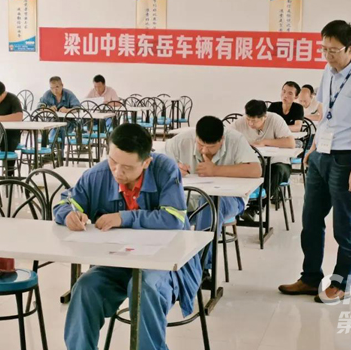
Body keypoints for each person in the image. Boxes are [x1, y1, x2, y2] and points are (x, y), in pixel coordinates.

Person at [53, 123, 200, 350]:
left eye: (127, 167)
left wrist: (124, 217)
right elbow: (66, 202)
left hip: (162, 263)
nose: (117, 172)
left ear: (146, 162)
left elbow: (173, 218)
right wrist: (68, 214)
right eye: (113, 161)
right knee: (85, 288)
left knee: (144, 288)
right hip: (118, 262)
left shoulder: (164, 169)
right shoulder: (98, 174)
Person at [278, 20, 351, 304]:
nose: (327, 55)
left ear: (350, 48)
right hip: (322, 155)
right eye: (324, 49)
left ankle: (341, 283)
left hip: (347, 158)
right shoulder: (328, 71)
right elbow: (325, 112)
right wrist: (313, 147)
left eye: (333, 50)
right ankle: (311, 277)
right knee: (310, 220)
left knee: (345, 225)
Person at [165, 116, 261, 233]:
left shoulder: (235, 140)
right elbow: (156, 166)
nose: (204, 150)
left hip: (229, 198)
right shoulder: (181, 141)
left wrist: (215, 170)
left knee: (210, 202)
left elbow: (256, 170)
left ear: (222, 140)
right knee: (165, 207)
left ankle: (203, 245)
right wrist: (172, 169)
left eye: (211, 147)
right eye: (200, 145)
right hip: (188, 197)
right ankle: (182, 242)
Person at [232, 100, 296, 219]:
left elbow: (291, 143)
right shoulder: (241, 122)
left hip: (279, 164)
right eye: (248, 119)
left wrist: (265, 142)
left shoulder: (275, 120)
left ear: (264, 117)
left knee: (274, 171)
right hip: (255, 164)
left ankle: (255, 208)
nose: (250, 123)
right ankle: (234, 207)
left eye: (254, 120)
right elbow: (226, 137)